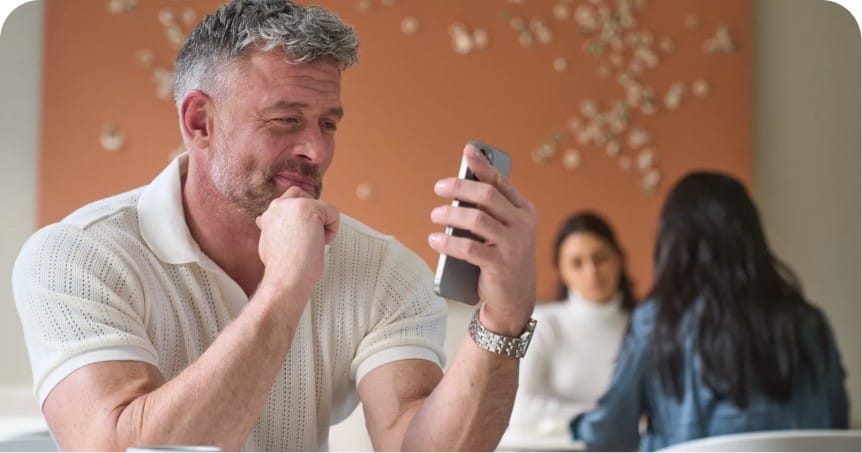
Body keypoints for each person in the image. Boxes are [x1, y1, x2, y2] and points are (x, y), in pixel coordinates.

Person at [12, 1, 538, 451]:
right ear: (200, 122)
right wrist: (286, 286)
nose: (317, 150)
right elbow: (128, 446)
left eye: (327, 123)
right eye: (286, 120)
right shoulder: (75, 257)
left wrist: (503, 320)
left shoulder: (383, 270)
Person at [570, 171, 849, 451]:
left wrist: (579, 424)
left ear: (673, 242)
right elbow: (836, 426)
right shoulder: (809, 321)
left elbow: (612, 434)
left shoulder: (658, 321)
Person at [506, 212, 635, 437]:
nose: (591, 272)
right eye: (577, 263)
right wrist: (604, 415)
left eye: (600, 258)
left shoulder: (644, 326)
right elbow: (517, 408)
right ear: (562, 271)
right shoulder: (537, 321)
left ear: (619, 259)